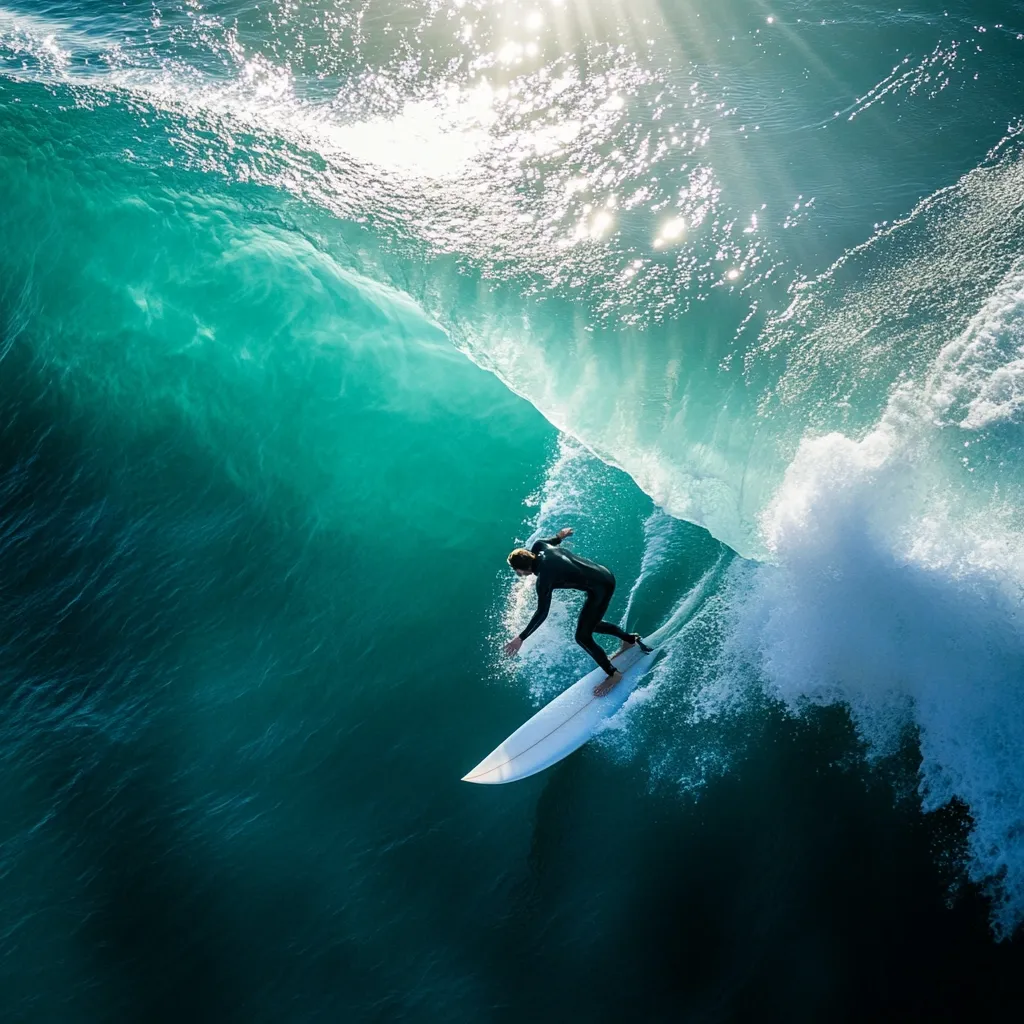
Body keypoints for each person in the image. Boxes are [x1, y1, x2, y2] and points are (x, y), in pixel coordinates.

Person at [503, 527, 651, 696]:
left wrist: (520, 638)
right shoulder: (539, 546)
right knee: (591, 625)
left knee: (582, 636)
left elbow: (542, 612)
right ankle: (629, 640)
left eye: (518, 571)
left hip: (600, 588)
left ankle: (613, 674)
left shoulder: (544, 578)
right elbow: (553, 541)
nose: (519, 574)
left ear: (522, 568)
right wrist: (560, 536)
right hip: (604, 574)